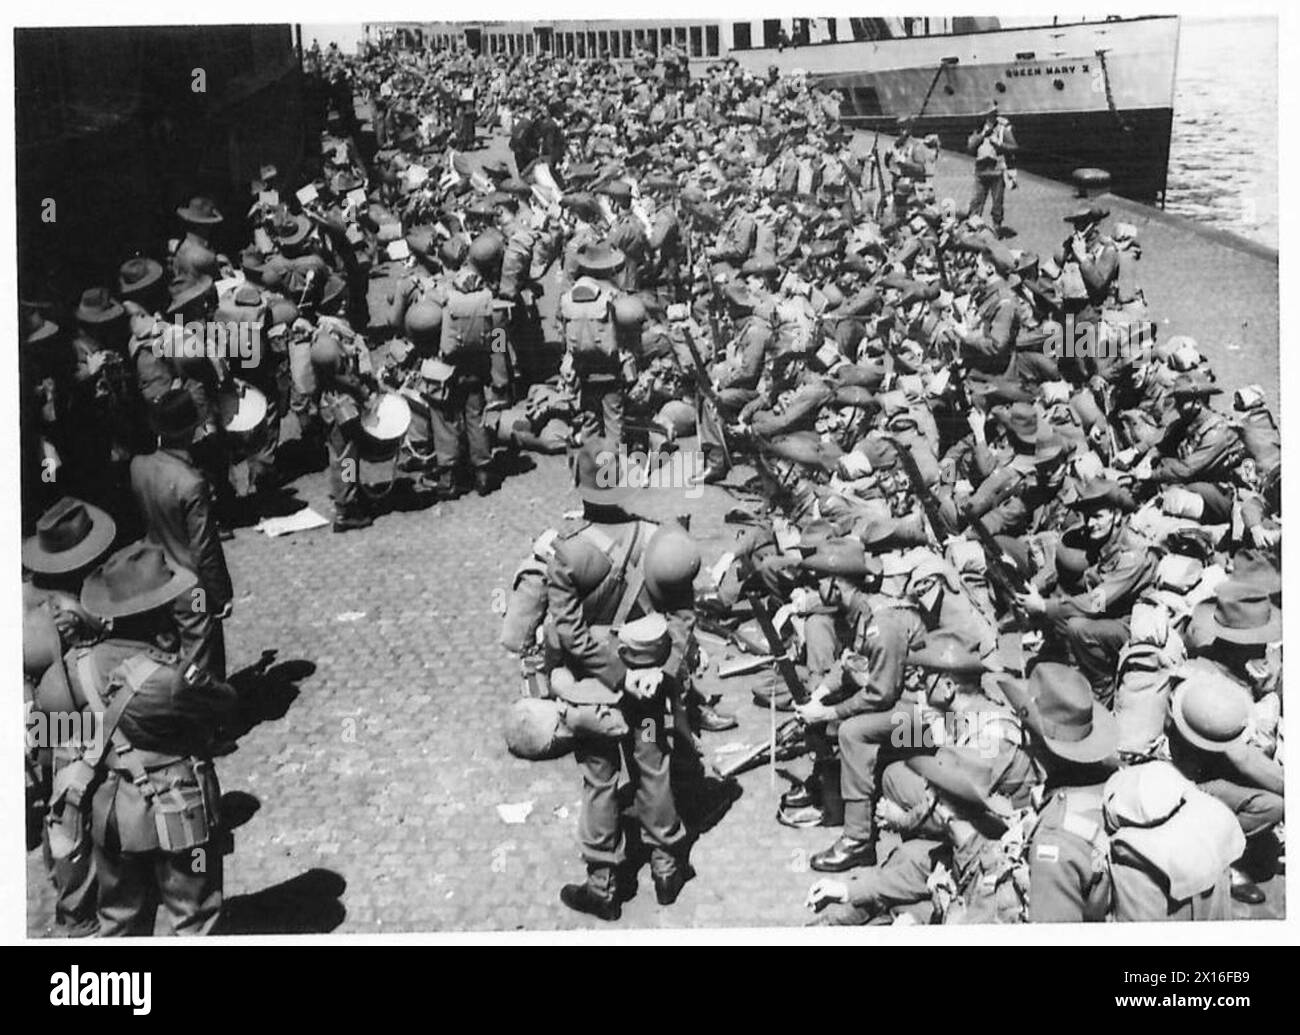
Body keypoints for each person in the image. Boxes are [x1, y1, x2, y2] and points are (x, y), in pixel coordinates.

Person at [69, 543, 237, 935]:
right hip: (179, 813)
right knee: (194, 915)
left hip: (111, 813)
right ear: (158, 611)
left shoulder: (80, 664)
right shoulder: (173, 679)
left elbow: (54, 723)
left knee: (119, 919)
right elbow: (226, 707)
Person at [129, 389, 233, 679]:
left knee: (168, 657)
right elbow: (204, 547)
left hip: (153, 578)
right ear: (193, 428)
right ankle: (208, 720)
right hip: (191, 588)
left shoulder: (138, 467)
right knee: (201, 663)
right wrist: (221, 595)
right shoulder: (191, 482)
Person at [966, 108, 1016, 236]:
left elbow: (1014, 147)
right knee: (976, 200)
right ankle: (973, 226)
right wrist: (982, 135)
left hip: (997, 171)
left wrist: (999, 144)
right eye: (986, 116)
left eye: (990, 116)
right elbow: (970, 147)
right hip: (981, 171)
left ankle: (996, 228)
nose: (988, 119)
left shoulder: (1002, 130)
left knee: (997, 202)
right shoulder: (978, 129)